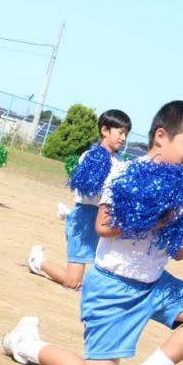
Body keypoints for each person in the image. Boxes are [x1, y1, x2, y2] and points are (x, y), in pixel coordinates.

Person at [2, 101, 183, 365]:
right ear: (161, 136)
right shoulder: (125, 172)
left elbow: (180, 254)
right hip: (114, 288)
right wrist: (155, 219)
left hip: (156, 285)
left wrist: (181, 225)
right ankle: (25, 343)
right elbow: (103, 225)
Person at [27, 109, 131, 290]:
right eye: (120, 132)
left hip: (106, 219)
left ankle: (66, 216)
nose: (123, 138)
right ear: (104, 130)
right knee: (72, 283)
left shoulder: (122, 162)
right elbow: (87, 191)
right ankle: (37, 261)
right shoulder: (90, 156)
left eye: (126, 134)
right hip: (84, 219)